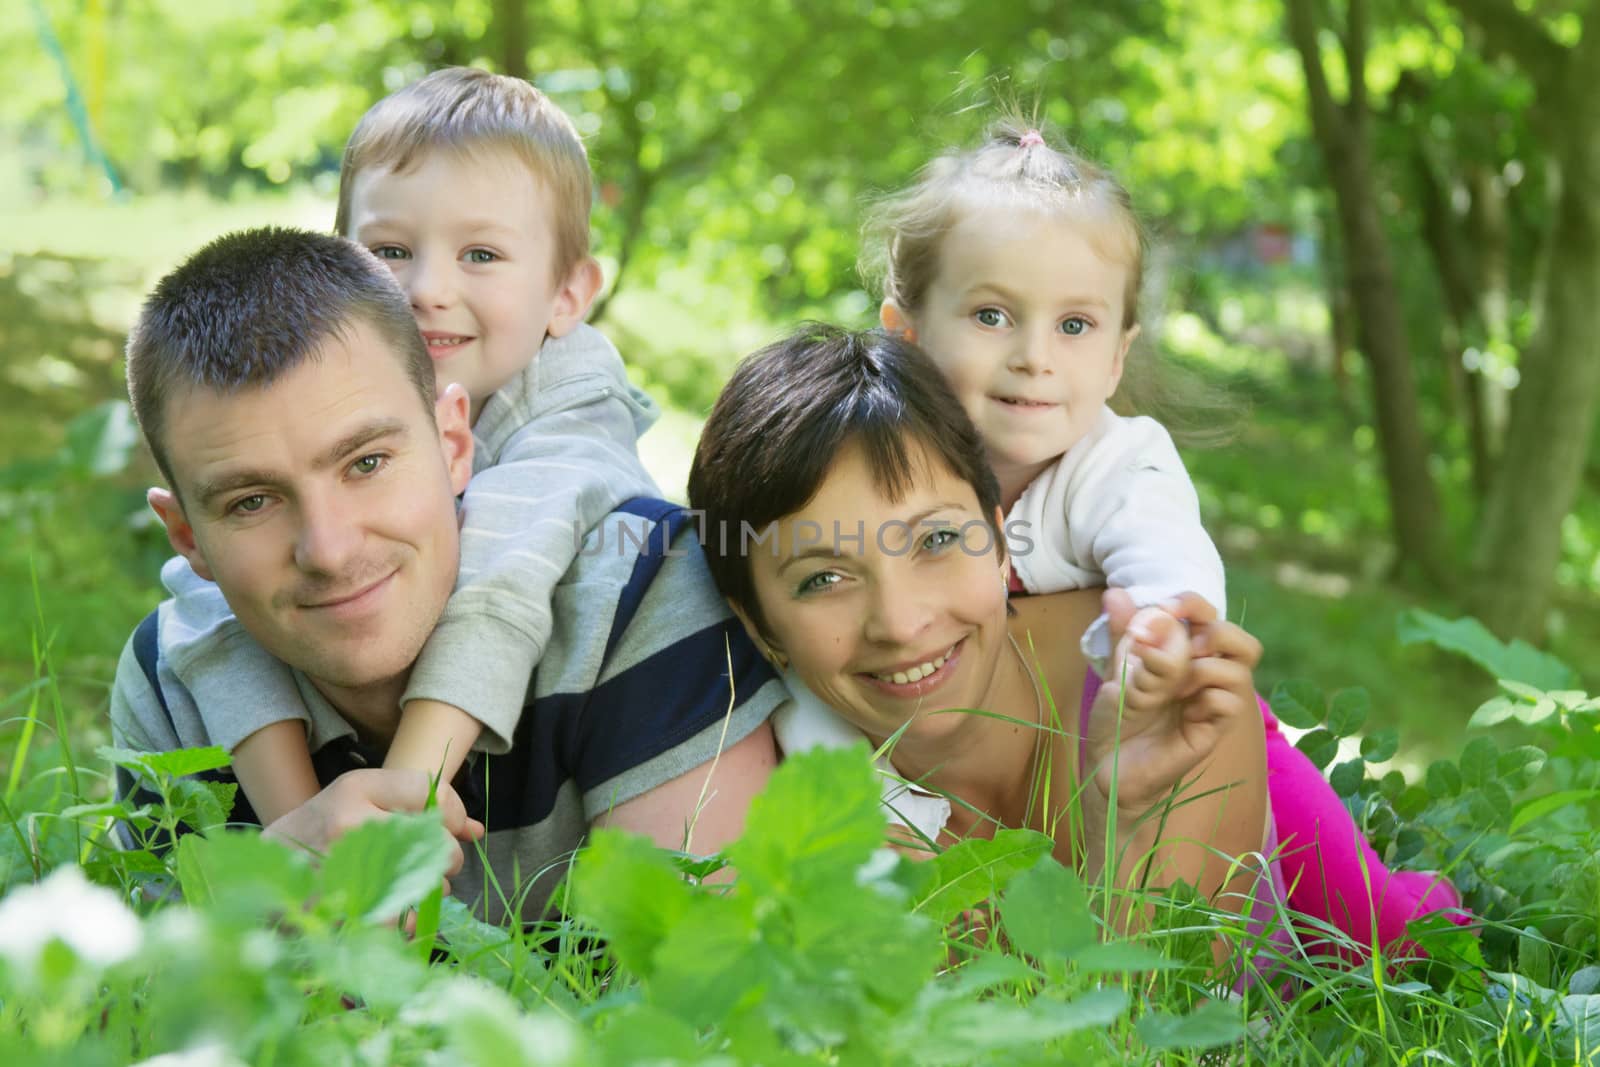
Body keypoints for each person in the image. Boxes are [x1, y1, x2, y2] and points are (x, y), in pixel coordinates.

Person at [859, 119, 1463, 957]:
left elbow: (1166, 557)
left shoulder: (1117, 462)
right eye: (993, 314)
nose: (1036, 357)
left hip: (1154, 728)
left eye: (1075, 326)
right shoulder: (881, 474)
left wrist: (1154, 634)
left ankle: (1431, 925)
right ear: (907, 332)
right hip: (1013, 777)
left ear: (1116, 356)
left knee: (1356, 909)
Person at [113, 227, 781, 920]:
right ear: (188, 537)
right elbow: (158, 1014)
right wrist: (272, 909)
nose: (331, 549)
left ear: (453, 443)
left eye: (366, 462)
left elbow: (700, 991)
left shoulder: (644, 595)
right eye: (252, 501)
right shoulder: (172, 686)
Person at [154, 67, 659, 826]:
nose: (426, 288)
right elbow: (207, 589)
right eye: (390, 250)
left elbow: (504, 579)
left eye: (480, 255)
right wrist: (304, 824)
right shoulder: (314, 403)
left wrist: (405, 805)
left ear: (568, 293)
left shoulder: (574, 407)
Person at [688, 324, 1272, 945]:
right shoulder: (780, 811)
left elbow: (1161, 1025)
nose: (901, 623)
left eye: (936, 540)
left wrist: (1127, 821)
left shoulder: (1154, 697)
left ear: (998, 542)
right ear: (758, 623)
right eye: (824, 578)